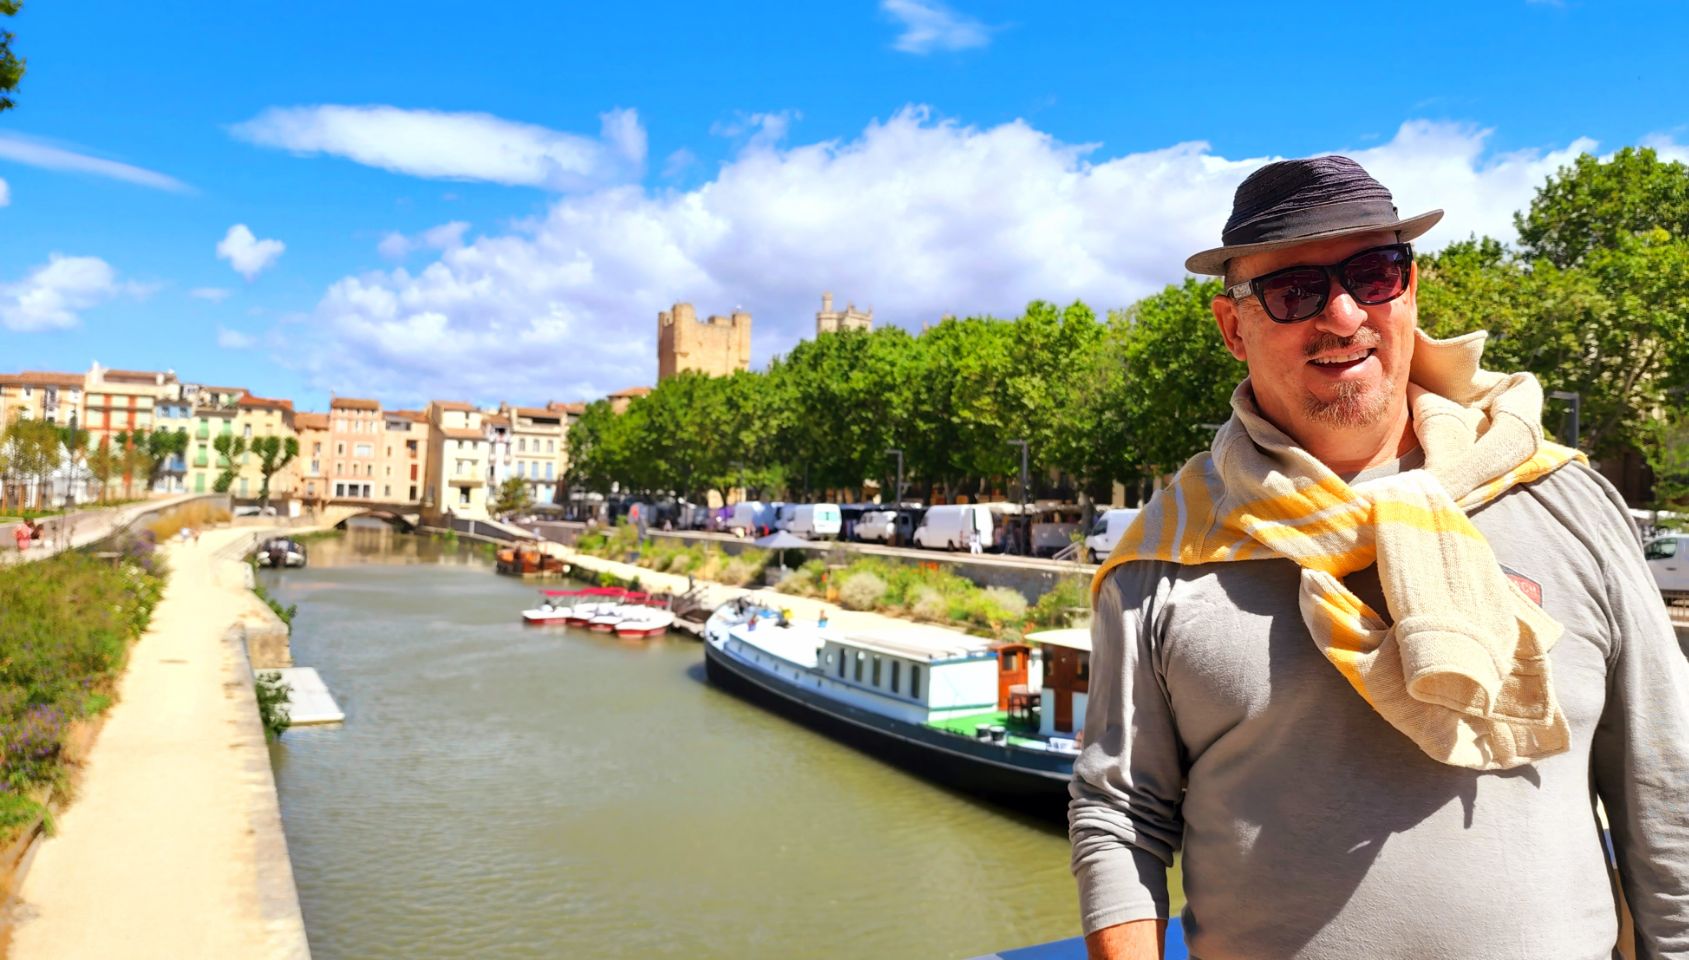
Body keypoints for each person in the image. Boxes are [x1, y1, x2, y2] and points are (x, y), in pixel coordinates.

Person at [1070, 156, 1689, 960]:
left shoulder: (1565, 501)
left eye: (1373, 274)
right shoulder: (1168, 551)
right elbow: (1120, 813)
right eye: (1294, 290)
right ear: (1231, 327)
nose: (1342, 315)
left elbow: (1662, 783)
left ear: (1410, 288)